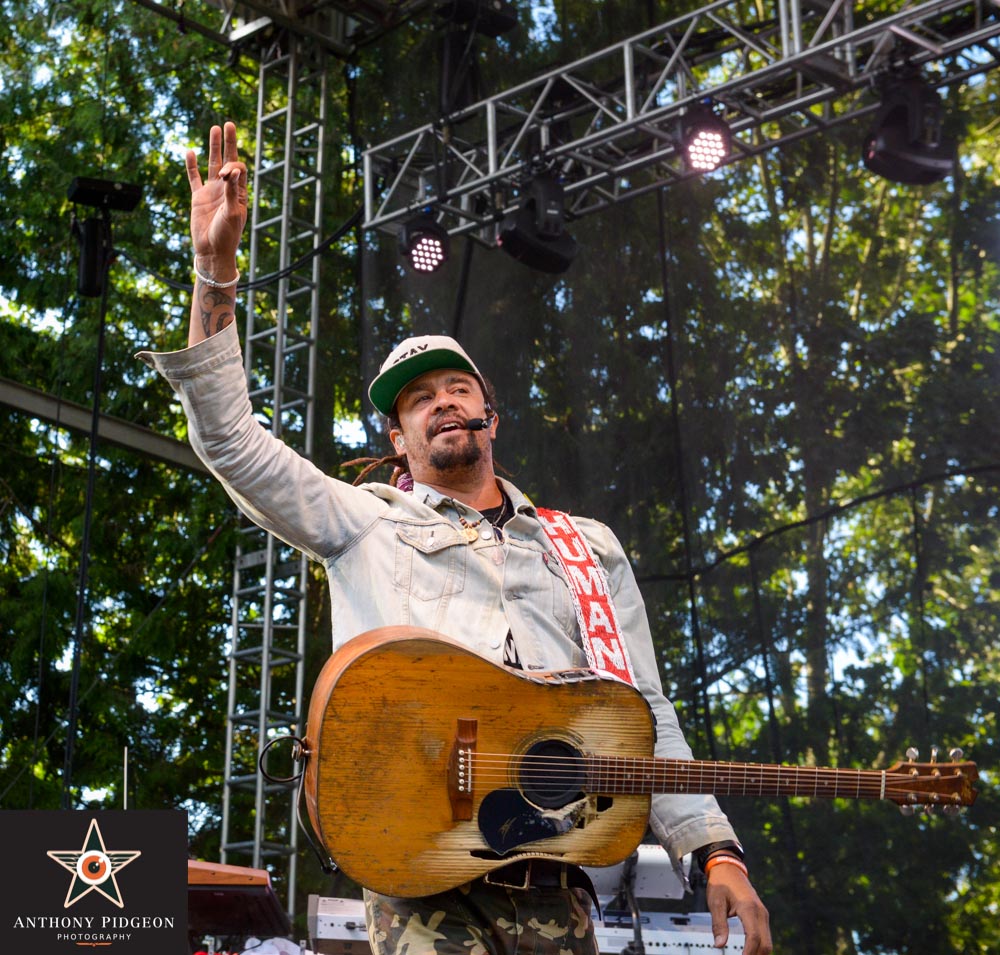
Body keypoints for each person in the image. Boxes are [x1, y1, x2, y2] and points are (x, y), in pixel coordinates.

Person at [138, 123, 772, 955]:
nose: (439, 401)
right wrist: (214, 272)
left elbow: (645, 712)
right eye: (416, 399)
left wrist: (716, 850)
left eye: (455, 387)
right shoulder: (363, 520)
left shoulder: (586, 548)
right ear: (398, 439)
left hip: (557, 876)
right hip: (415, 865)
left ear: (489, 417)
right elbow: (227, 440)